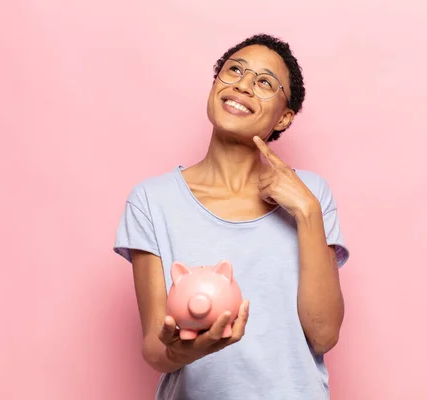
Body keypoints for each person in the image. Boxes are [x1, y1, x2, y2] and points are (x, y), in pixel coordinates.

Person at [114, 33, 350, 400]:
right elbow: (154, 349)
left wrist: (306, 212)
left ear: (284, 118)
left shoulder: (311, 195)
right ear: (215, 85)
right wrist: (182, 351)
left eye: (264, 82)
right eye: (234, 70)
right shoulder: (151, 201)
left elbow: (323, 334)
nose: (243, 84)